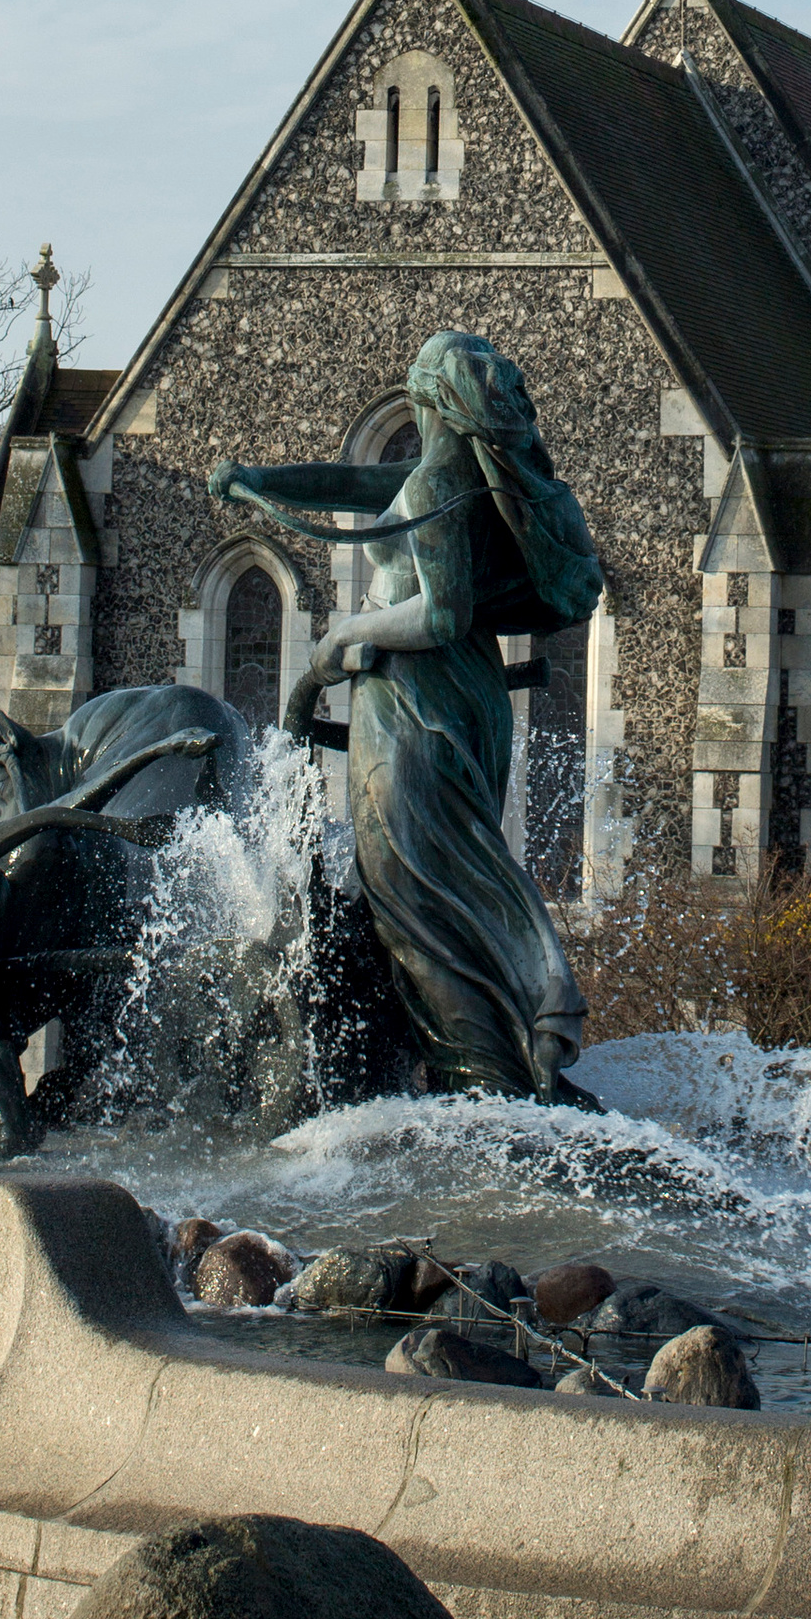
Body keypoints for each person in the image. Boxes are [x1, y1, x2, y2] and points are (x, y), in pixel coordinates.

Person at [210, 330, 598, 1101]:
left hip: (415, 703)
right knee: (454, 861)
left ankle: (489, 1063)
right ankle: (520, 1028)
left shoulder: (430, 491)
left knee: (418, 881)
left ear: (430, 403)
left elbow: (444, 614)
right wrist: (261, 478)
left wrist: (345, 635)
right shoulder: (473, 482)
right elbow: (352, 483)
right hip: (468, 698)